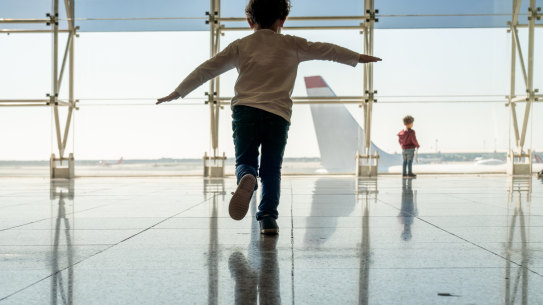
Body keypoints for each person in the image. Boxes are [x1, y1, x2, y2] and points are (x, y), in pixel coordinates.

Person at [157, 0, 381, 234]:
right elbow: (328, 50)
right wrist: (357, 57)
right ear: (282, 20)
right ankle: (268, 218)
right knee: (272, 169)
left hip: (245, 111)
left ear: (249, 21)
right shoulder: (292, 44)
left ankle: (247, 176)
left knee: (245, 161)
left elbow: (207, 69)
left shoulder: (240, 46)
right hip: (278, 115)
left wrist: (178, 92)